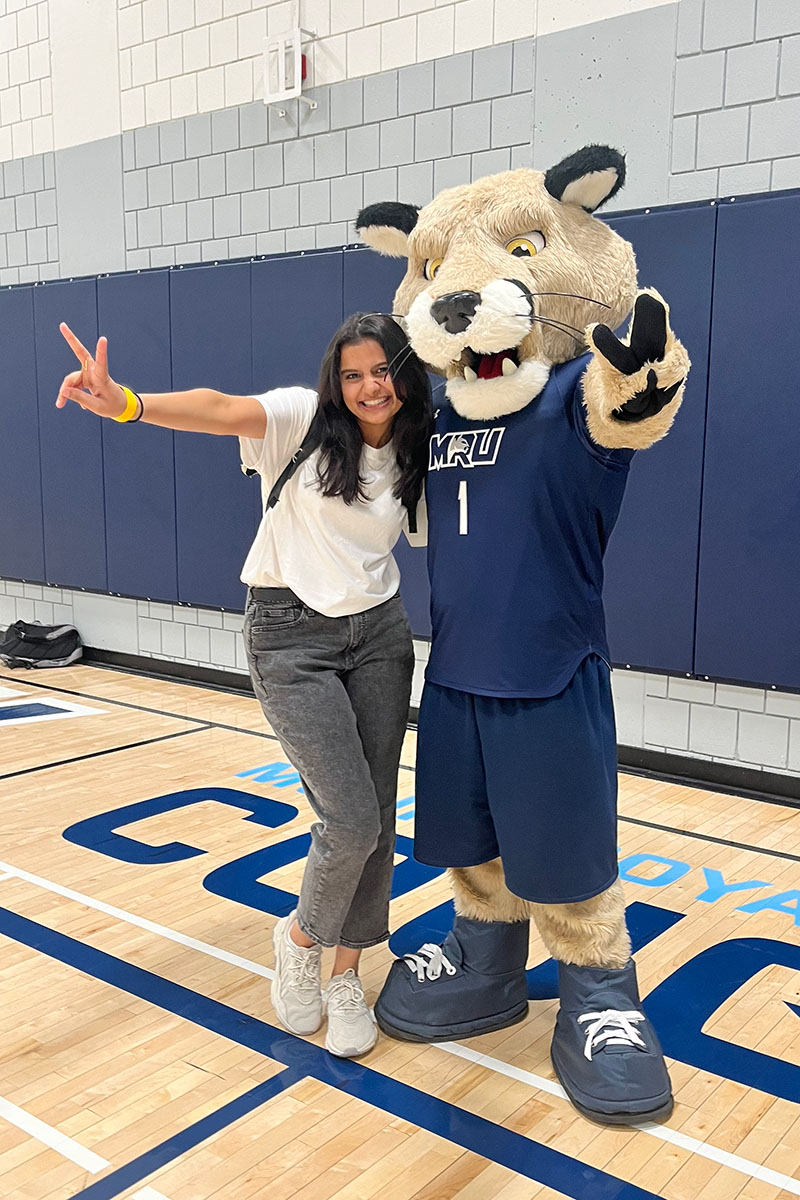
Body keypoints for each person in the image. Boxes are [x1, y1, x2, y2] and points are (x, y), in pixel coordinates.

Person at [56, 312, 433, 1059]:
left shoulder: (421, 445)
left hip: (381, 636)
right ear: (336, 381)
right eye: (353, 374)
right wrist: (128, 402)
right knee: (349, 818)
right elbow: (219, 406)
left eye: (382, 370)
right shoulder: (299, 420)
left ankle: (346, 973)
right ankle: (299, 940)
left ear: (405, 371)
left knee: (381, 817)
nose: (368, 386)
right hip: (290, 634)